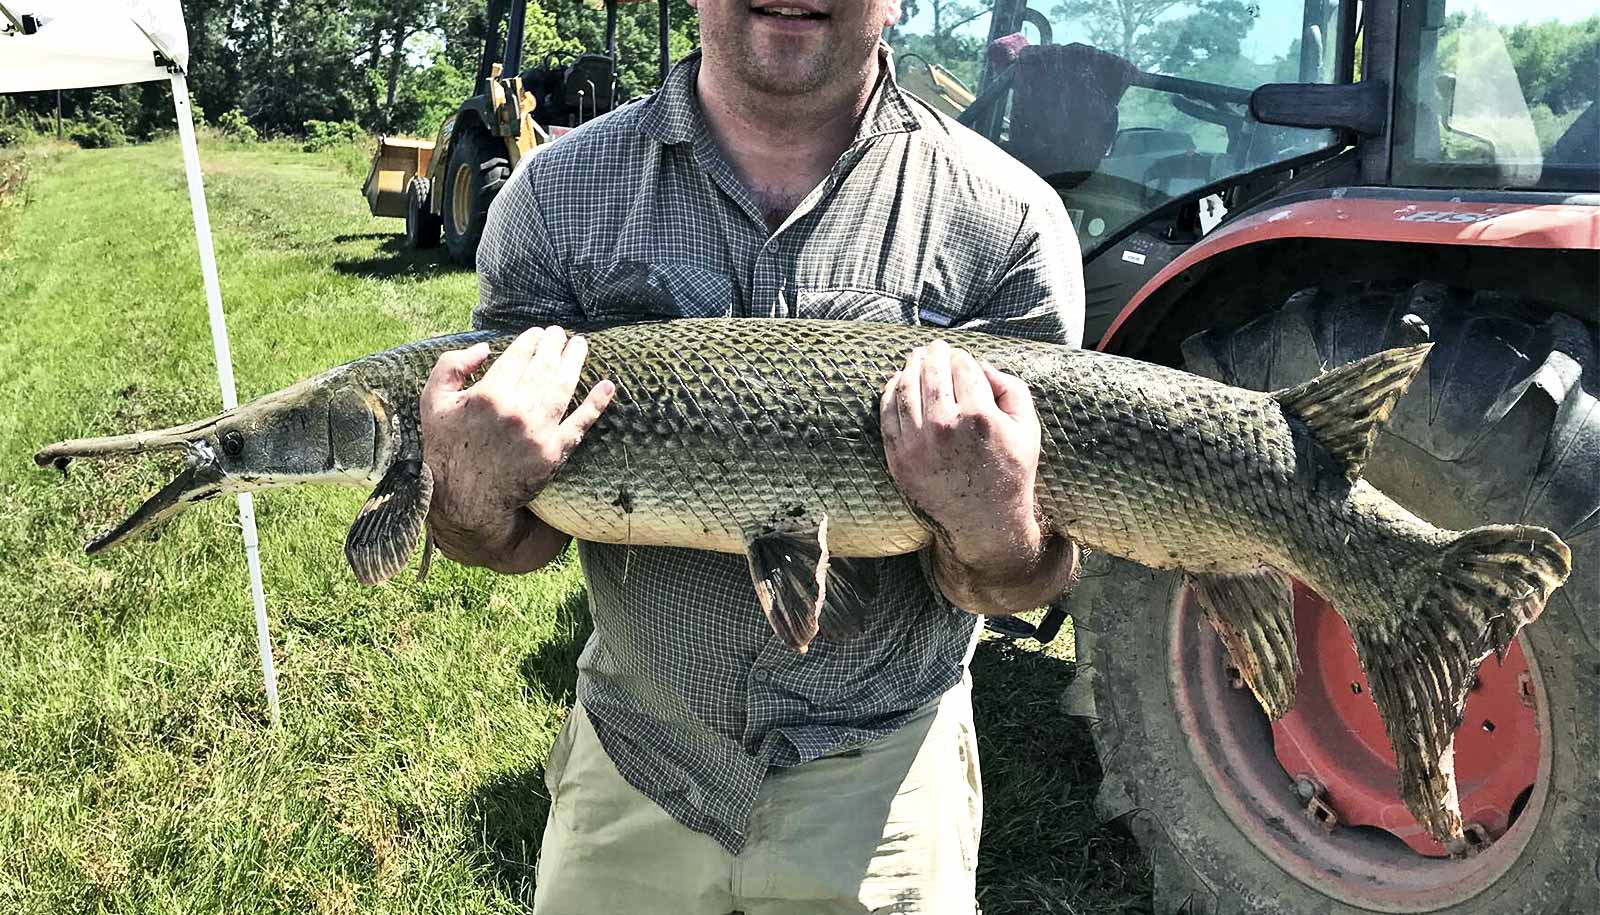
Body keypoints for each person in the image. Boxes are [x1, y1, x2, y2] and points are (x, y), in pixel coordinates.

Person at [418, 0, 1085, 911]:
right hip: (639, 763)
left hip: (883, 789)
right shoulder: (554, 195)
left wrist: (999, 525)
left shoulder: (1008, 220)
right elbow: (511, 537)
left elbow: (1022, 581)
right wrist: (467, 496)